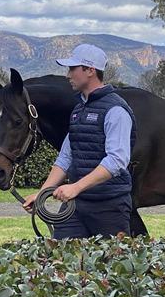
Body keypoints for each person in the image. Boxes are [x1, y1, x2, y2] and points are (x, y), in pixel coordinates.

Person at [22, 44, 137, 239]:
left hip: (110, 207)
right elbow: (66, 158)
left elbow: (117, 160)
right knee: (59, 261)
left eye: (72, 69)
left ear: (90, 70)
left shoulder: (116, 110)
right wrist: (42, 194)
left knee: (112, 266)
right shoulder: (78, 110)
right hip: (75, 206)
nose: (67, 75)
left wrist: (75, 187)